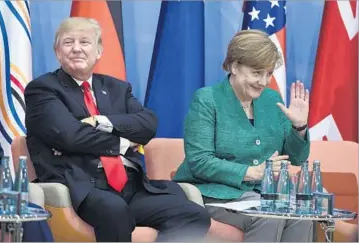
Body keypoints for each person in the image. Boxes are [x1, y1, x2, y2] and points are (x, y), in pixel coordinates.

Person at [24, 17, 210, 242]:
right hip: (82, 187)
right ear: (57, 52)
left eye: (85, 42)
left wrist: (101, 121)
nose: (76, 49)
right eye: (68, 42)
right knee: (114, 210)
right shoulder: (42, 90)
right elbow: (70, 136)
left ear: (99, 51)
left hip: (131, 186)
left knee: (194, 216)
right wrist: (123, 142)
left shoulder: (117, 88)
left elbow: (148, 125)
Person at [173, 29, 313, 242]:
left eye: (268, 73)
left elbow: (296, 158)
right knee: (268, 215)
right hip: (213, 195)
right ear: (234, 66)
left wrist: (299, 126)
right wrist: (251, 172)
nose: (264, 82)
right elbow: (199, 162)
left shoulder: (271, 100)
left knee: (301, 216)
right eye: (257, 73)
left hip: (263, 194)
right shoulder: (207, 100)